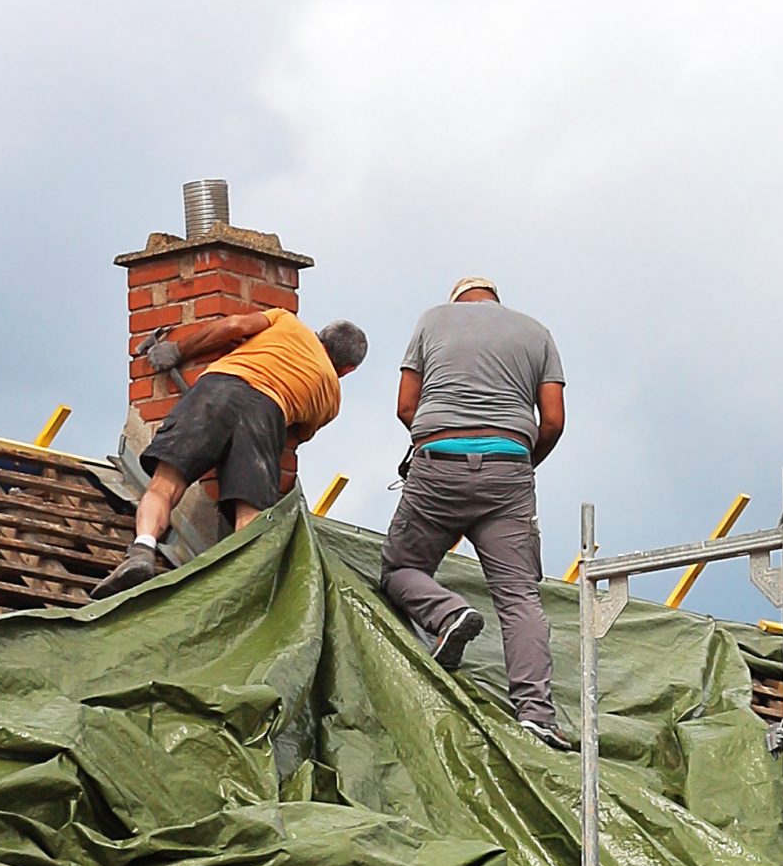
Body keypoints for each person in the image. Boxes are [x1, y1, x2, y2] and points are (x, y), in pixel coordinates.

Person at [377, 276, 571, 750]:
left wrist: (442, 435)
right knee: (519, 596)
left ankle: (449, 613)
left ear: (457, 300)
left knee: (401, 568)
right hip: (510, 469)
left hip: (438, 464)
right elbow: (553, 420)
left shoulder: (432, 320)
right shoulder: (537, 332)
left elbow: (405, 406)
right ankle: (536, 715)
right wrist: (520, 461)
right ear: (496, 300)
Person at [95, 311, 367, 596]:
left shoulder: (286, 322)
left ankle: (142, 550)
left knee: (165, 484)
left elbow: (233, 325)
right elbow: (300, 434)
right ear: (348, 370)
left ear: (320, 334)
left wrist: (177, 350)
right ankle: (241, 586)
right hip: (267, 415)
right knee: (250, 514)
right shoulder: (331, 396)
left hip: (219, 388)